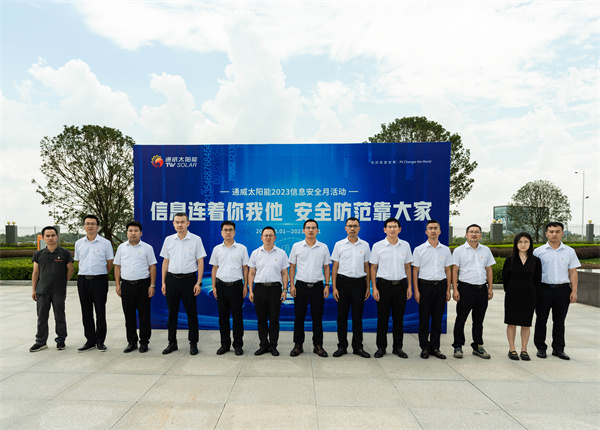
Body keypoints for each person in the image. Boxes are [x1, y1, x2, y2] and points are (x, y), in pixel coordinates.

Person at [160, 212, 206, 355]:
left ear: (188, 223)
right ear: (173, 224)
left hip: (189, 280)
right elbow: (165, 261)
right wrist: (163, 282)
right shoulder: (168, 240)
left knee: (191, 313)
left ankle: (193, 343)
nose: (179, 224)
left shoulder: (196, 239)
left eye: (182, 222)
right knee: (172, 313)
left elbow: (200, 261)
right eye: (177, 222)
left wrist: (199, 282)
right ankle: (172, 343)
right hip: (171, 280)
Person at [533, 222, 580, 360]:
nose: (554, 234)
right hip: (543, 290)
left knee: (559, 321)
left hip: (563, 290)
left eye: (557, 231)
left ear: (562, 233)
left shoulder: (569, 251)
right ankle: (541, 348)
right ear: (546, 234)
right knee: (541, 320)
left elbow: (573, 272)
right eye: (551, 231)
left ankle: (558, 349)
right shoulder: (538, 252)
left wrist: (574, 291)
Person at [369, 217, 413, 359]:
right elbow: (373, 267)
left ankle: (397, 347)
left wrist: (409, 287)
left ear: (399, 229)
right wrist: (374, 288)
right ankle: (381, 347)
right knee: (382, 318)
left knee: (398, 319)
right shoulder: (378, 246)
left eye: (395, 227)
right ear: (385, 229)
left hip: (400, 285)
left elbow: (408, 267)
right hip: (383, 286)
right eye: (389, 227)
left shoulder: (405, 245)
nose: (392, 229)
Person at [451, 224, 495, 359]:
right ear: (466, 234)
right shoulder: (459, 250)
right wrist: (455, 289)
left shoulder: (486, 250)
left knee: (478, 321)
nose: (474, 234)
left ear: (481, 235)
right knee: (461, 319)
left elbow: (489, 269)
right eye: (471, 232)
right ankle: (458, 346)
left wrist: (490, 288)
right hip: (465, 289)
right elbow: (454, 270)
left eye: (477, 232)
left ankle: (478, 346)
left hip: (481, 289)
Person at [289, 219, 331, 358]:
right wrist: (292, 285)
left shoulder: (323, 247)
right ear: (303, 230)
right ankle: (298, 345)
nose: (311, 230)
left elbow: (326, 267)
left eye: (313, 228)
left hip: (317, 287)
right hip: (300, 286)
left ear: (317, 230)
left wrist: (327, 285)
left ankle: (318, 345)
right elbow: (292, 266)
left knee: (317, 318)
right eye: (308, 228)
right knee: (299, 317)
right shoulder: (297, 246)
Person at [113, 221, 157, 354]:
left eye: (136, 231)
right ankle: (131, 342)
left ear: (141, 233)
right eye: (130, 231)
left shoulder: (147, 248)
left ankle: (144, 342)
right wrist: (117, 284)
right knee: (129, 315)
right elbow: (117, 266)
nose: (133, 233)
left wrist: (152, 285)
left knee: (144, 315)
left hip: (143, 285)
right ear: (127, 233)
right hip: (126, 285)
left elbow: (152, 267)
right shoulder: (121, 248)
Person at [412, 219, 453, 359]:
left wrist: (448, 290)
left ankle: (435, 347)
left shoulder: (445, 250)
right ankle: (424, 347)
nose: (433, 230)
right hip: (425, 286)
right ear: (426, 231)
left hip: (440, 286)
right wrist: (416, 290)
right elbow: (415, 271)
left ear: (440, 231)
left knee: (437, 319)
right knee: (424, 319)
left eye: (435, 228)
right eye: (430, 228)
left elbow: (448, 270)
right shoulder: (419, 250)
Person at [331, 217, 371, 358]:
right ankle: (342, 346)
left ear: (359, 228)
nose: (352, 228)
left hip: (359, 284)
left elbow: (367, 267)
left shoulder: (365, 245)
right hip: (342, 283)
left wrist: (368, 287)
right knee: (341, 317)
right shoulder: (339, 245)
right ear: (345, 228)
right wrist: (334, 287)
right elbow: (335, 267)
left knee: (357, 317)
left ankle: (358, 347)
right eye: (350, 226)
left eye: (355, 226)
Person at [29, 226, 74, 352]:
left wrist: (63, 282)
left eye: (53, 235)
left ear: (57, 236)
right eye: (47, 236)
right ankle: (41, 342)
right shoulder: (38, 254)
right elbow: (35, 273)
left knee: (60, 317)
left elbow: (70, 270)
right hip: (42, 291)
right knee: (41, 318)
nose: (50, 238)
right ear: (43, 238)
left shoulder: (65, 253)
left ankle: (61, 341)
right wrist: (34, 289)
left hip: (58, 291)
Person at [74, 214, 114, 352]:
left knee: (100, 311)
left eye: (93, 223)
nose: (90, 226)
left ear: (98, 226)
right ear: (84, 226)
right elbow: (79, 261)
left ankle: (100, 341)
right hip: (83, 280)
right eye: (87, 223)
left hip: (99, 280)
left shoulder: (105, 243)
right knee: (86, 312)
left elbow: (110, 262)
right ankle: (89, 340)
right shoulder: (79, 243)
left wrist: (102, 273)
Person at [248, 226, 289, 356]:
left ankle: (273, 346)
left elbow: (284, 273)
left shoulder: (281, 253)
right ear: (262, 237)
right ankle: (263, 345)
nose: (268, 238)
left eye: (271, 235)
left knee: (274, 319)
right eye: (266, 235)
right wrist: (251, 291)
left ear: (275, 237)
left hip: (275, 289)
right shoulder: (255, 253)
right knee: (261, 319)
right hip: (259, 289)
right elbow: (251, 273)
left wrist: (285, 290)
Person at [209, 221, 249, 356]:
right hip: (221, 286)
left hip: (236, 286)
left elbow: (245, 268)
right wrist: (214, 286)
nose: (228, 232)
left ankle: (238, 345)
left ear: (234, 232)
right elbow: (214, 268)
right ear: (221, 233)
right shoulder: (217, 249)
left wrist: (245, 285)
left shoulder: (242, 248)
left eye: (230, 230)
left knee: (237, 317)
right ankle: (224, 345)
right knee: (223, 318)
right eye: (225, 230)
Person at [502, 232, 541, 361]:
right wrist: (510, 290)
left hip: (529, 295)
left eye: (526, 242)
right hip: (513, 295)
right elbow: (505, 279)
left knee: (526, 324)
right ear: (516, 244)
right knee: (511, 322)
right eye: (520, 242)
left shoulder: (536, 261)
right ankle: (512, 349)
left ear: (530, 244)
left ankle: (524, 350)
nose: (523, 244)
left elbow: (537, 280)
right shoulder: (510, 260)